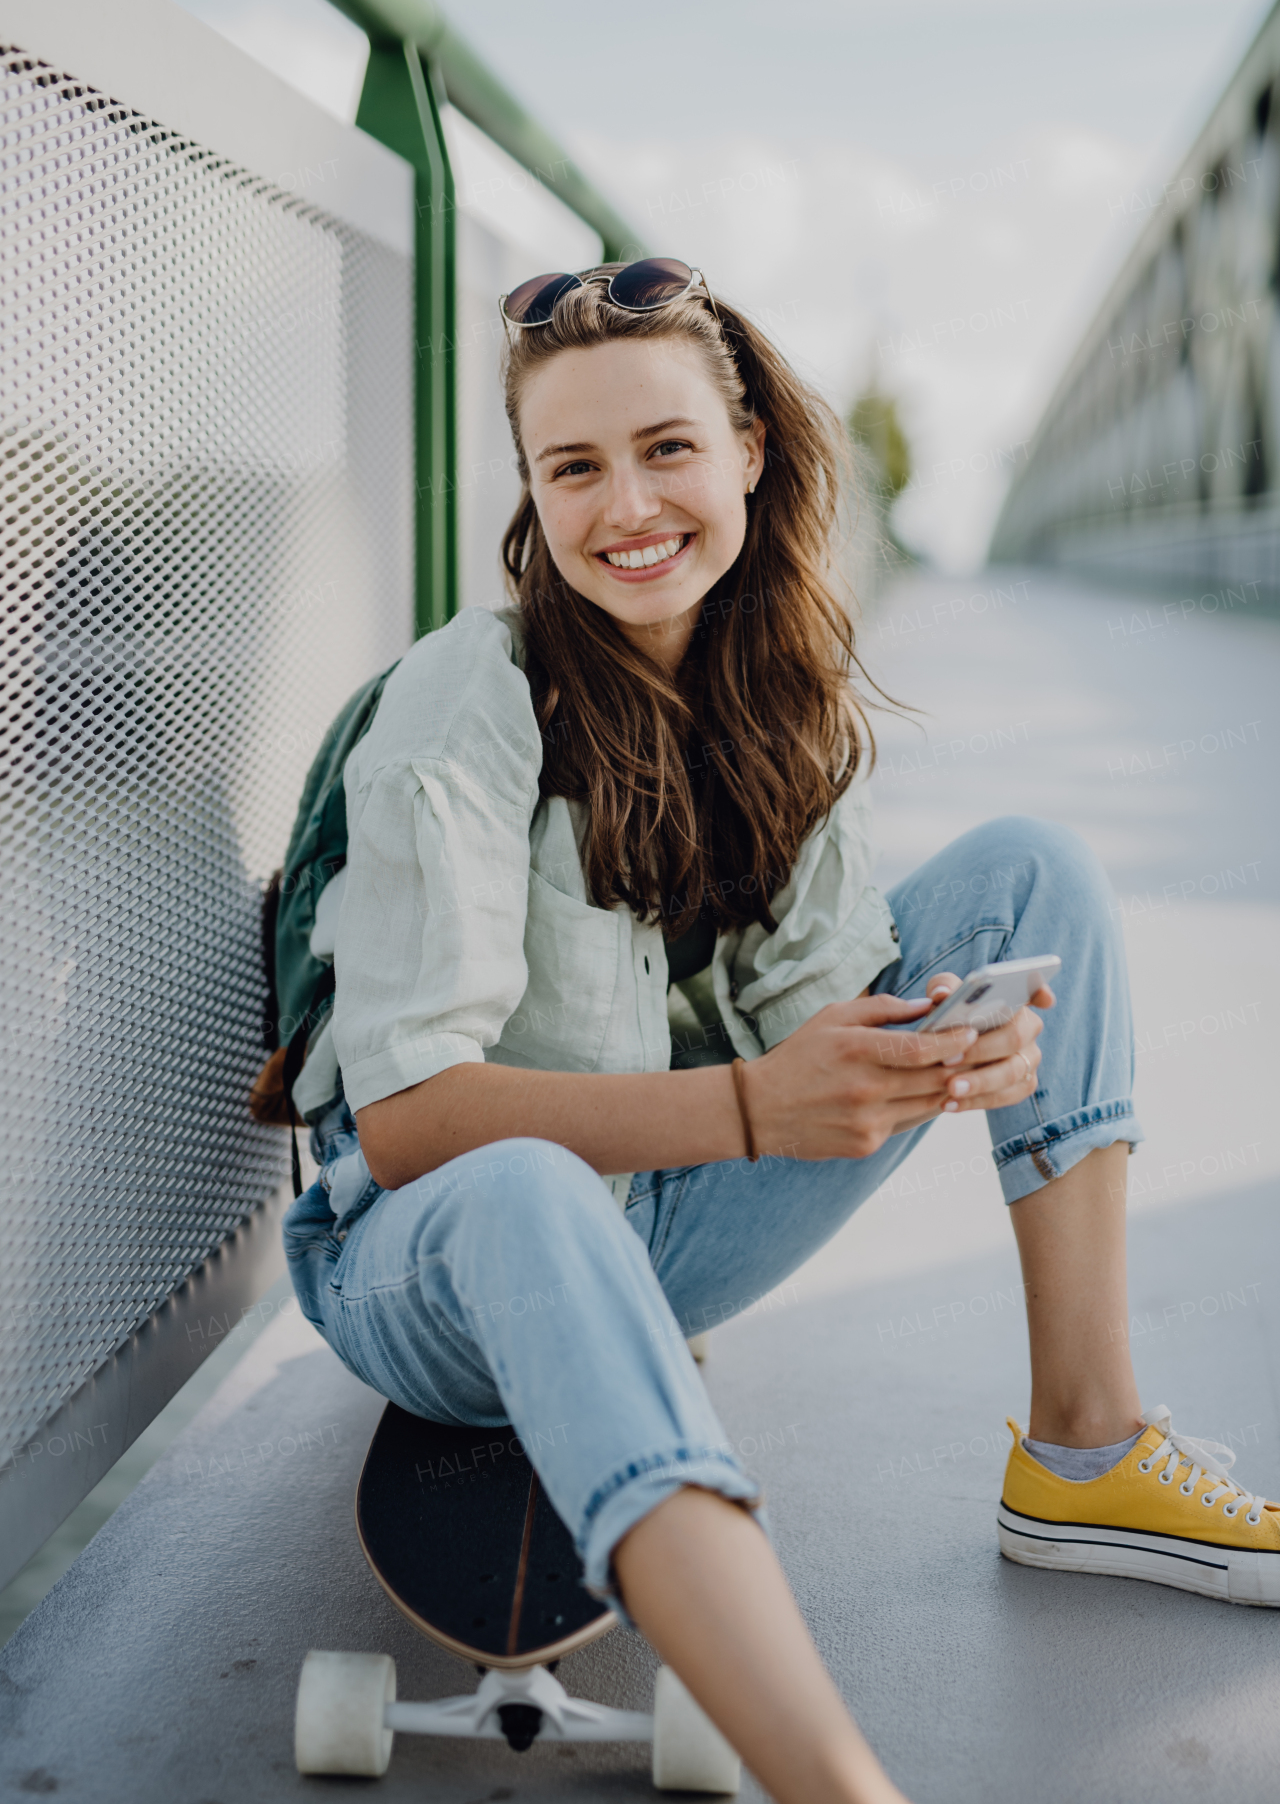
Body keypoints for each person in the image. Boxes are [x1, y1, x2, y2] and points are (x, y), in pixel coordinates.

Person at [283, 259, 1279, 1804]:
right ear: (532, 494)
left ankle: (1085, 1460)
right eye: (575, 467)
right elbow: (411, 1124)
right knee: (534, 1178)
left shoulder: (773, 686)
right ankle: (834, 1782)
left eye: (667, 448)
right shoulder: (466, 698)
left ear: (748, 450)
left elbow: (825, 1021)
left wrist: (944, 1056)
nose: (627, 506)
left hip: (655, 1222)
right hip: (435, 1264)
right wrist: (757, 1109)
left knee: (1035, 876)